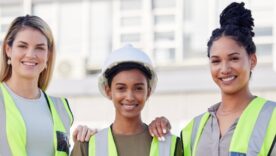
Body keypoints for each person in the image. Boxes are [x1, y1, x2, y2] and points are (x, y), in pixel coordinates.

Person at [148, 2, 276, 156]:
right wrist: (161, 134)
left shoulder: (272, 118)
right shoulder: (192, 130)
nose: (224, 69)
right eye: (216, 61)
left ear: (252, 60)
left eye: (234, 58)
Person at [0, 15, 94, 156]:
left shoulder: (61, 108)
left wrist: (81, 145)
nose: (31, 54)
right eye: (22, 46)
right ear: (8, 49)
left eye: (39, 48)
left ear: (48, 55)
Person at [71, 44, 183, 156]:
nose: (129, 97)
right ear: (108, 91)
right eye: (121, 88)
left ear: (148, 92)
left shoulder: (172, 146)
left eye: (138, 88)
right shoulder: (87, 146)